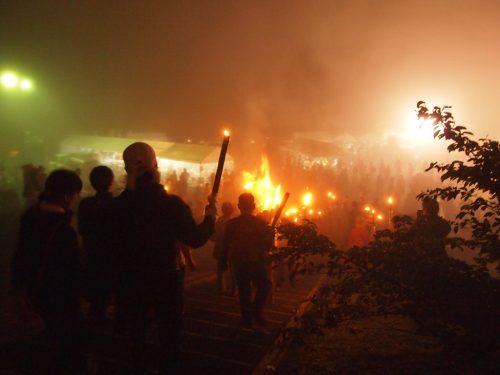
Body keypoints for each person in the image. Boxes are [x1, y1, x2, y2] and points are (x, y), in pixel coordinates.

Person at [108, 142, 216, 374]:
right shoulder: (171, 205)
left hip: (131, 279)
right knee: (169, 333)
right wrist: (210, 218)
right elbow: (195, 239)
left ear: (127, 170)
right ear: (156, 166)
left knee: (136, 332)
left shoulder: (117, 208)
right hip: (165, 279)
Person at [11, 169, 85, 374]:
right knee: (67, 345)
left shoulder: (31, 215)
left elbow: (21, 252)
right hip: (59, 296)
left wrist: (18, 286)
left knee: (51, 338)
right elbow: (73, 269)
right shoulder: (62, 230)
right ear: (67, 195)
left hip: (35, 288)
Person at [221, 193, 274, 328]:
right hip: (252, 262)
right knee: (263, 286)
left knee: (245, 290)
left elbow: (225, 244)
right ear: (253, 206)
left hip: (242, 262)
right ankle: (254, 313)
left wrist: (223, 261)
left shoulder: (232, 224)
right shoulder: (260, 224)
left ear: (239, 206)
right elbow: (267, 246)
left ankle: (249, 316)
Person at [77, 165, 114, 322]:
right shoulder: (115, 204)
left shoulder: (85, 204)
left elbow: (82, 228)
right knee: (104, 287)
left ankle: (94, 313)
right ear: (111, 182)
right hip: (109, 254)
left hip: (91, 252)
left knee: (94, 286)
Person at [211, 201, 235, 294]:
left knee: (230, 268)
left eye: (227, 208)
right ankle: (221, 288)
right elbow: (217, 233)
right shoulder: (221, 220)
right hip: (223, 247)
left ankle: (230, 288)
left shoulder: (231, 220)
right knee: (222, 268)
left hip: (229, 247)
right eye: (225, 208)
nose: (226, 209)